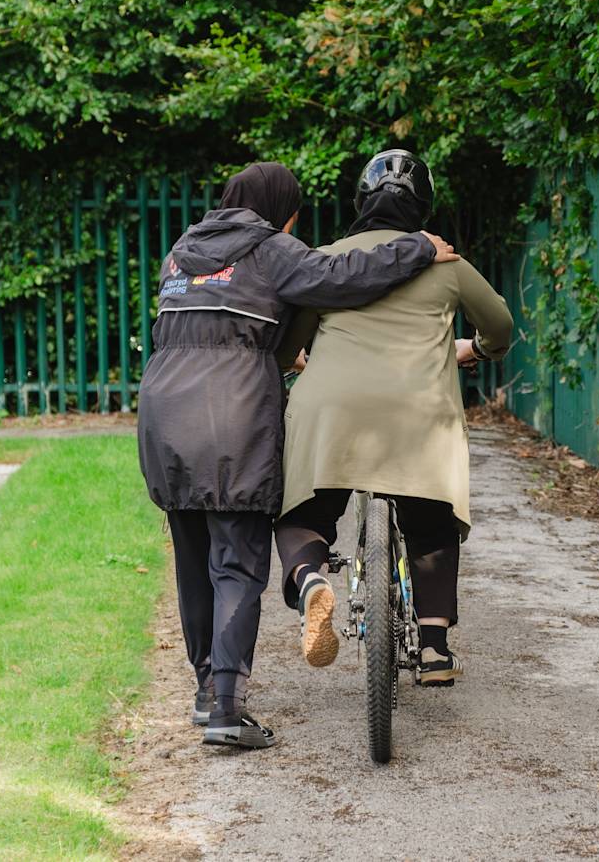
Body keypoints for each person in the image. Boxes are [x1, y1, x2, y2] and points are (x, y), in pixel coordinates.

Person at [136, 161, 459, 749]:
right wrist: (416, 249)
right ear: (277, 208)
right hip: (230, 415)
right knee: (236, 561)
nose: (293, 223)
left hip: (163, 415)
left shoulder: (181, 255)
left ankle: (208, 692)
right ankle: (228, 712)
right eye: (292, 213)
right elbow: (341, 276)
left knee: (192, 559)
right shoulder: (272, 249)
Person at [274, 149, 513, 686]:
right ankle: (433, 650)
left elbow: (289, 344)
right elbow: (500, 323)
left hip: (331, 412)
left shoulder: (329, 258)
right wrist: (479, 349)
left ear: (361, 201)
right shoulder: (445, 262)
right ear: (423, 206)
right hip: (419, 416)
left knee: (303, 516)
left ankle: (311, 578)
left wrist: (302, 361)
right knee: (430, 523)